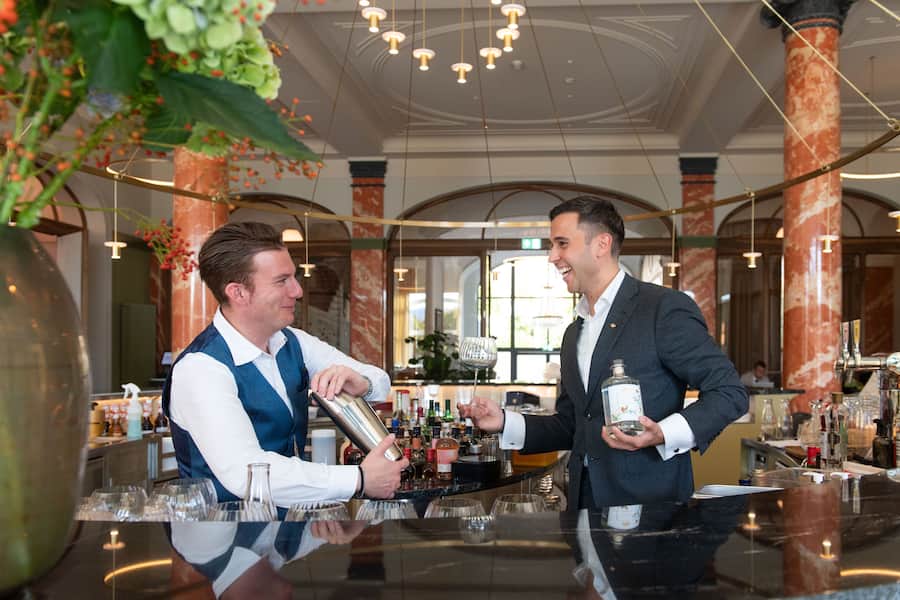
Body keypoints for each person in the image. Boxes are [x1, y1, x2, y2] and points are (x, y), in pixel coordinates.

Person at [460, 196, 748, 508]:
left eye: (562, 243)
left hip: (651, 508)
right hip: (583, 506)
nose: (552, 256)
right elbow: (572, 425)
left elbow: (729, 392)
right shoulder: (574, 333)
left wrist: (662, 433)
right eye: (552, 245)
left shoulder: (662, 308)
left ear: (601, 244)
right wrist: (504, 421)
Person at [163, 222, 407, 508]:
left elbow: (380, 380)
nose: (298, 290)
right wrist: (359, 479)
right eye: (282, 281)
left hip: (287, 529)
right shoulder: (201, 368)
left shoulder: (293, 342)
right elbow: (245, 472)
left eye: (293, 277)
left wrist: (361, 382)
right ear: (238, 292)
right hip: (222, 531)